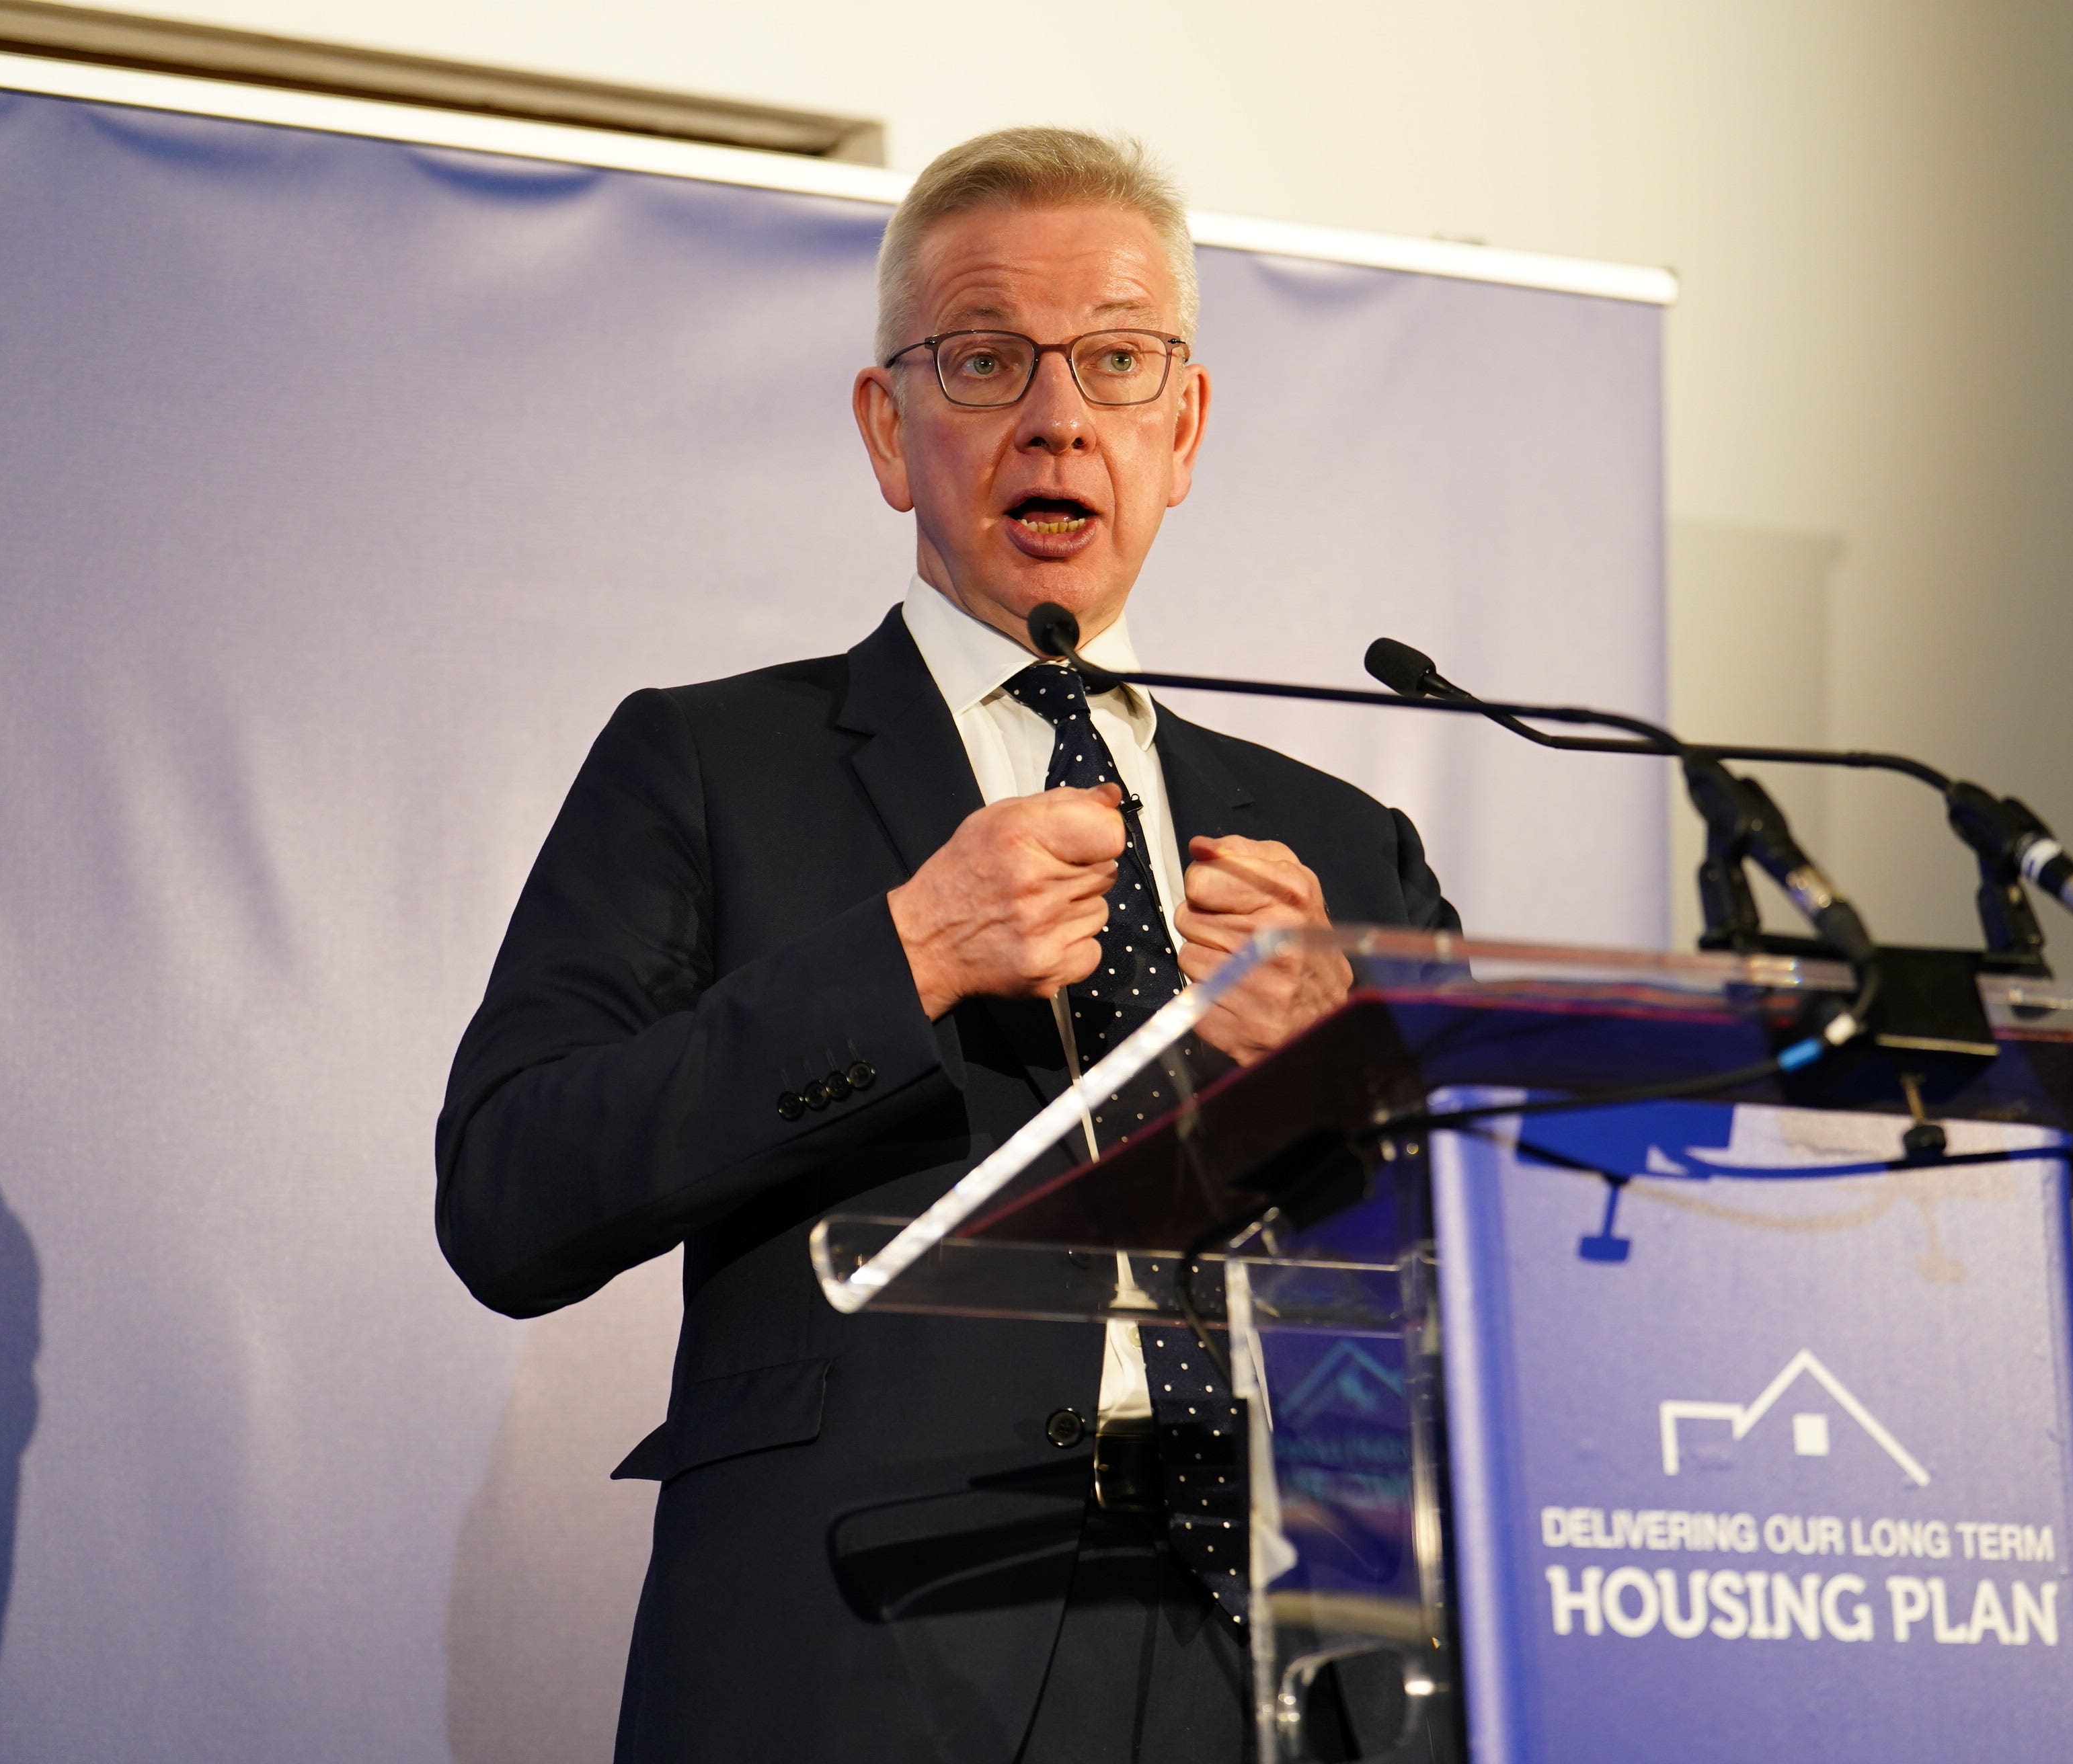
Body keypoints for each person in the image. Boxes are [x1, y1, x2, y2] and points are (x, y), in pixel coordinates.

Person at [436, 126, 1458, 1764]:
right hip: (870, 1656)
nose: (1060, 416)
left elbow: (1492, 1290)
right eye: (987, 360)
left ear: (1182, 428)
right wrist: (901, 957)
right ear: (887, 427)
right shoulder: (710, 767)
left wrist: (1356, 1078)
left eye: (1118, 362)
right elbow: (507, 1197)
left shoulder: (1346, 846)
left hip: (1290, 1670)